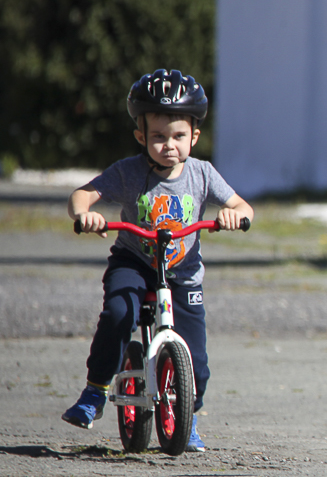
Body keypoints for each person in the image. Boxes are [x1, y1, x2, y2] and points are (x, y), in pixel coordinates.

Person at [63, 69, 254, 452]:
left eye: (179, 136)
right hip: (134, 262)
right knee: (119, 314)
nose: (169, 145)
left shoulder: (202, 174)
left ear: (194, 137)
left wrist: (235, 214)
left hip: (182, 273)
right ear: (141, 137)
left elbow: (241, 205)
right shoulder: (129, 172)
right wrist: (85, 215)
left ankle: (189, 415)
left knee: (196, 357)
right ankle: (96, 391)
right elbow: (81, 196)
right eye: (158, 137)